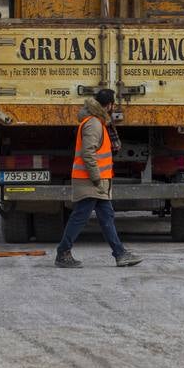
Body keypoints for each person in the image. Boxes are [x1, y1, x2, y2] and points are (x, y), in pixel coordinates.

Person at [55, 89, 142, 268]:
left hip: (95, 181)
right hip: (91, 181)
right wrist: (96, 179)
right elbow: (88, 153)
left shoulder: (96, 122)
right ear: (109, 105)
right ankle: (63, 253)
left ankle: (120, 254)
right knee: (80, 217)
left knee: (106, 216)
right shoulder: (94, 123)